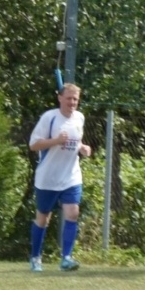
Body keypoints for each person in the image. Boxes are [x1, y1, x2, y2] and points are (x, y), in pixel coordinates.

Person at [28, 83, 91, 272]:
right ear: (60, 98)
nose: (72, 102)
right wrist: (55, 141)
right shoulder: (49, 118)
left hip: (71, 176)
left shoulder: (79, 118)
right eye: (69, 98)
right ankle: (35, 258)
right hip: (48, 178)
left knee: (73, 213)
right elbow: (33, 145)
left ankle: (66, 258)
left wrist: (82, 148)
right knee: (43, 218)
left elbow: (76, 141)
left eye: (75, 99)